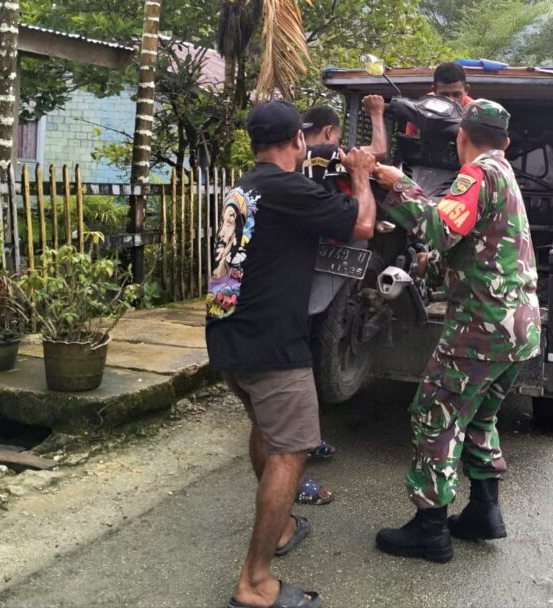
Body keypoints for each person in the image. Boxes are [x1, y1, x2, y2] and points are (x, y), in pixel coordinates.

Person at [208, 100, 377, 608]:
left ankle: (279, 531)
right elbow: (362, 225)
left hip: (228, 335)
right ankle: (254, 583)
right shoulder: (290, 189)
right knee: (293, 450)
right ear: (296, 142)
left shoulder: (246, 185)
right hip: (272, 344)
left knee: (266, 429)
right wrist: (362, 175)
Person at [372, 99, 541, 563]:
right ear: (505, 141)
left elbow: (440, 227)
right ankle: (485, 512)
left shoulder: (478, 173)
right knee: (481, 417)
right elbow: (483, 241)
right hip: (519, 327)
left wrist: (397, 182)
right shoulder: (504, 173)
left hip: (482, 327)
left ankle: (430, 529)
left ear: (461, 137)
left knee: (434, 413)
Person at [289, 95, 389, 508]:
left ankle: (308, 442)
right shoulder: (330, 153)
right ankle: (293, 477)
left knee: (304, 368)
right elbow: (376, 156)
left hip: (296, 273)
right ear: (330, 131)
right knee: (293, 378)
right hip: (303, 284)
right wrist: (377, 115)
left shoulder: (280, 170)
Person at [405, 61, 474, 137]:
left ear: (466, 90)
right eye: (444, 95)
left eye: (456, 94)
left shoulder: (476, 113)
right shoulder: (419, 111)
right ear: (434, 91)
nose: (451, 101)